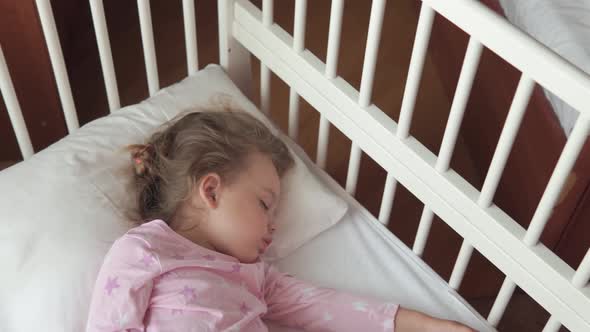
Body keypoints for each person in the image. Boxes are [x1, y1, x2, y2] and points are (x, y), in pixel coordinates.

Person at [86, 110, 476, 331]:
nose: (273, 224)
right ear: (211, 191)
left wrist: (421, 325)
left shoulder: (256, 276)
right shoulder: (145, 250)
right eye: (264, 204)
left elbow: (323, 307)